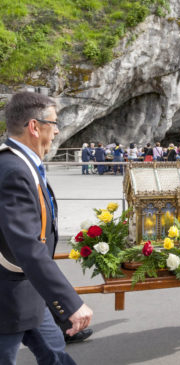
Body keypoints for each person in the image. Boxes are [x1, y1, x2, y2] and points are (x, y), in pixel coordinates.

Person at [0, 91, 93, 364]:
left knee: (55, 354)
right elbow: (27, 246)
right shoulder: (14, 170)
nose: (56, 131)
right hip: (7, 297)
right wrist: (71, 303)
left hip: (29, 291)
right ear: (34, 126)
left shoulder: (19, 164)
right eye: (53, 123)